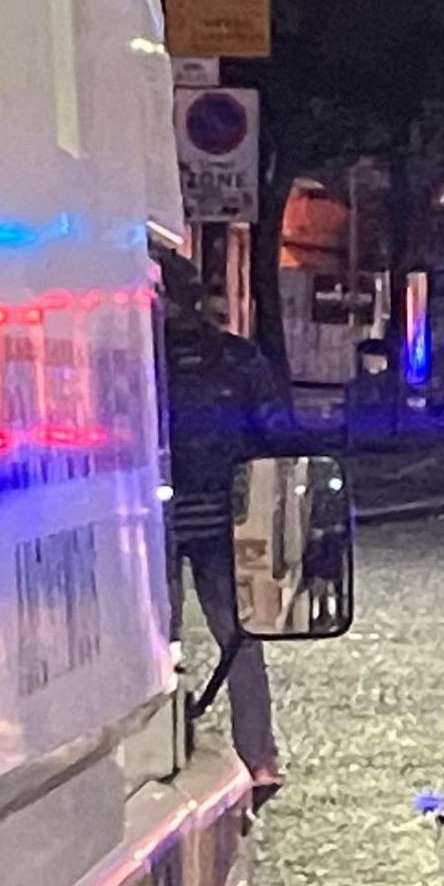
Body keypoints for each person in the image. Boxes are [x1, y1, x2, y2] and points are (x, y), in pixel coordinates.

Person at [162, 248, 298, 788]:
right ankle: (257, 758)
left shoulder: (139, 362)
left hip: (163, 521)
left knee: (162, 644)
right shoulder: (237, 360)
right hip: (227, 516)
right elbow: (277, 435)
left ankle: (164, 746)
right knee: (240, 640)